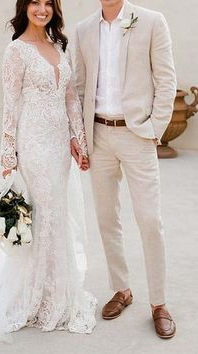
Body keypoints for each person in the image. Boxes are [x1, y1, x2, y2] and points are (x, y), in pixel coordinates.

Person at [0, 0, 96, 344]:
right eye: (35, 2)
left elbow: (69, 98)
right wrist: (9, 154)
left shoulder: (58, 45)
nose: (41, 9)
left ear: (55, 8)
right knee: (45, 213)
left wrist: (78, 140)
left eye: (47, 3)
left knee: (57, 215)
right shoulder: (16, 51)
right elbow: (11, 104)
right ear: (25, 7)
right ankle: (36, 296)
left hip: (58, 147)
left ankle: (57, 287)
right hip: (33, 144)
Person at [73, 0, 177, 339]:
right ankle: (122, 289)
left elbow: (166, 79)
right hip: (99, 135)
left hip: (138, 135)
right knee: (107, 219)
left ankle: (159, 303)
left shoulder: (150, 21)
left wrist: (153, 130)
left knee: (149, 219)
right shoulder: (84, 29)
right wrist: (82, 137)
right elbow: (79, 86)